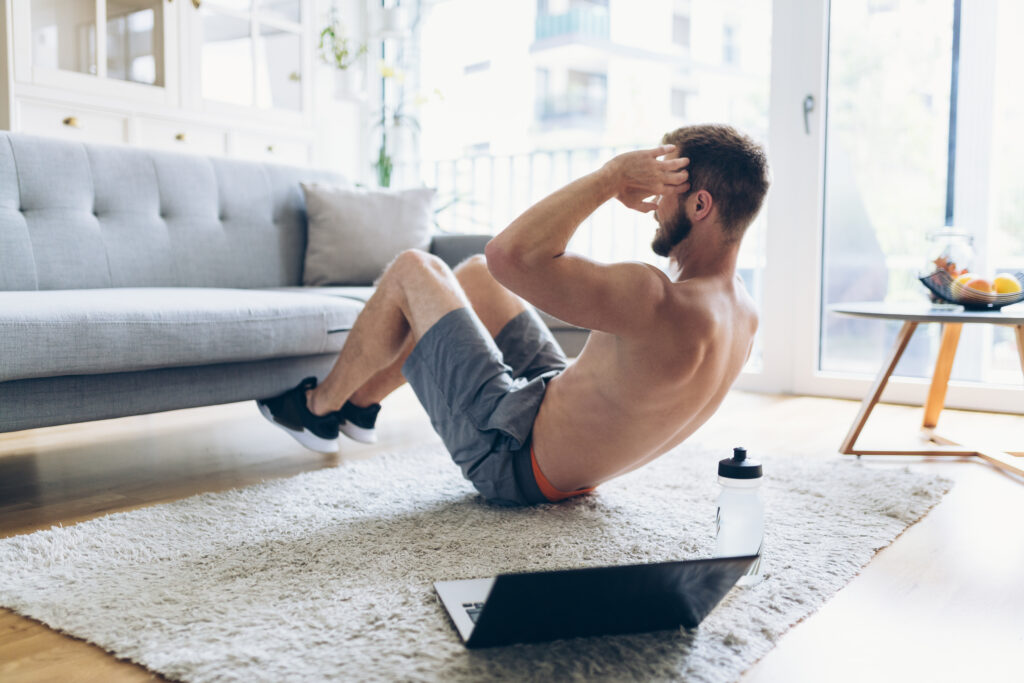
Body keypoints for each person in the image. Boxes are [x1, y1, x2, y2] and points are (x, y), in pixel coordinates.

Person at [258, 123, 770, 506]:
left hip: (512, 458)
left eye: (667, 189)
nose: (656, 203)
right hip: (562, 433)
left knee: (415, 269)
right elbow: (496, 267)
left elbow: (514, 253)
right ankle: (363, 405)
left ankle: (319, 409)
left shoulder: (654, 298)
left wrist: (610, 178)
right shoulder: (743, 313)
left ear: (700, 206)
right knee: (477, 274)